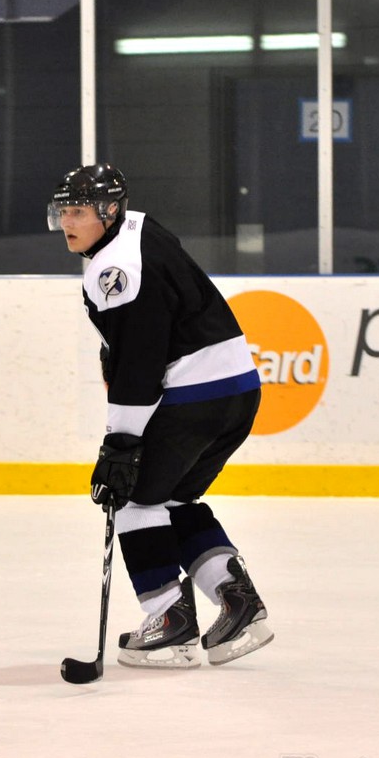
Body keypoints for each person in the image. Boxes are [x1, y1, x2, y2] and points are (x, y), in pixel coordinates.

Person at [48, 163, 273, 669]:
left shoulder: (114, 272)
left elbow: (141, 365)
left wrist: (120, 443)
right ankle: (238, 603)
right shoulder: (139, 227)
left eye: (78, 211)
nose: (67, 222)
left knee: (134, 502)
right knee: (173, 499)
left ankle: (169, 620)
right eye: (63, 212)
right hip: (238, 391)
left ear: (109, 211)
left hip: (194, 396)